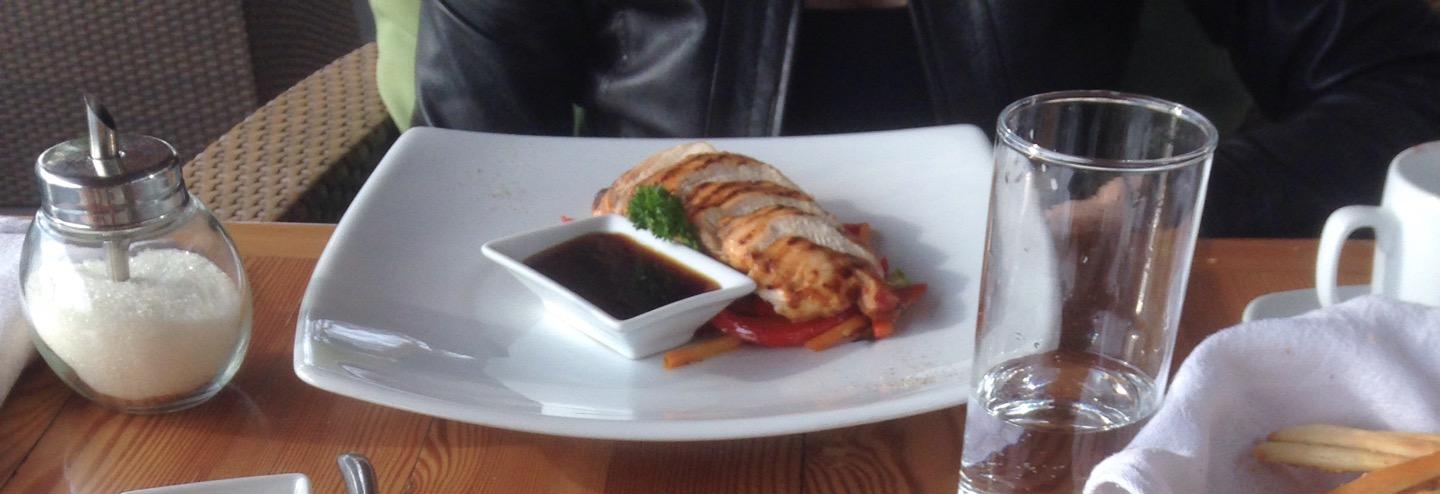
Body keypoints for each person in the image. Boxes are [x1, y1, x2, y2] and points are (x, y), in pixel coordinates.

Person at [410, 0, 1440, 237]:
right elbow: (460, 174)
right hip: (655, 353)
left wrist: (1161, 206)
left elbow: (1403, 87)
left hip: (1040, 350)